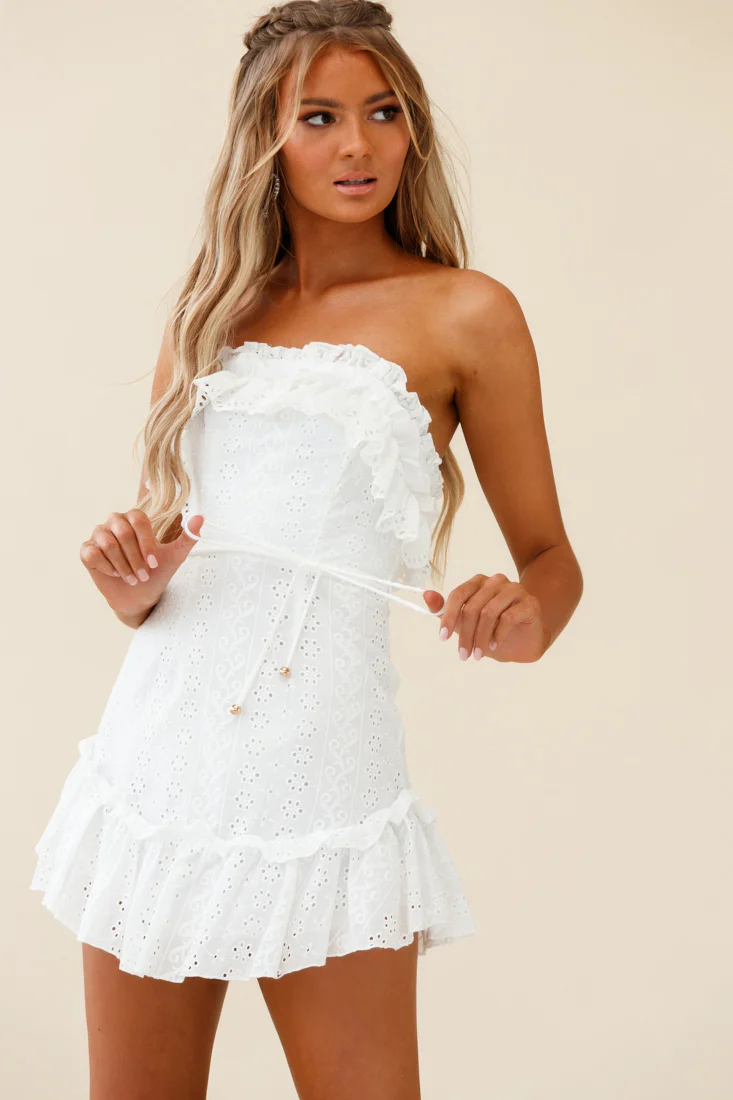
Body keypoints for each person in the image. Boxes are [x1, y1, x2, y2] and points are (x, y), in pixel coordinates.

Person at [30, 2, 583, 1097]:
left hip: (326, 770)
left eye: (383, 112)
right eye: (319, 117)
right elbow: (166, 563)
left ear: (412, 128)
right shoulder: (208, 313)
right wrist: (128, 586)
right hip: (158, 762)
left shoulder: (465, 313)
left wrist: (523, 617)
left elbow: (550, 559)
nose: (357, 144)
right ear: (265, 138)